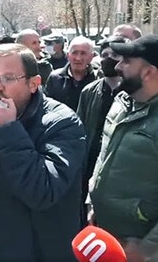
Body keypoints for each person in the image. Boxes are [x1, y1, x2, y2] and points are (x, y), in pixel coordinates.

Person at [0, 43, 86, 261]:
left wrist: (7, 131)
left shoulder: (62, 123)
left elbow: (42, 192)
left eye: (8, 78)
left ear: (34, 83)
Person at [89, 34, 158, 262]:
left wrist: (148, 248)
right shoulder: (122, 103)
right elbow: (105, 158)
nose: (118, 65)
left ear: (149, 72)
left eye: (127, 61)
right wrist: (95, 204)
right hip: (106, 237)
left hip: (139, 247)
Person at [76, 35, 126, 225]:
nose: (108, 59)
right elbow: (80, 127)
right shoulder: (90, 91)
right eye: (104, 54)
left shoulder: (131, 92)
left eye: (114, 54)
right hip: (90, 163)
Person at [44, 36, 100, 111]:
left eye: (83, 53)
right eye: (74, 53)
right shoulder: (55, 78)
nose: (78, 58)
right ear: (68, 56)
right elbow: (47, 106)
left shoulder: (97, 78)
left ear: (91, 57)